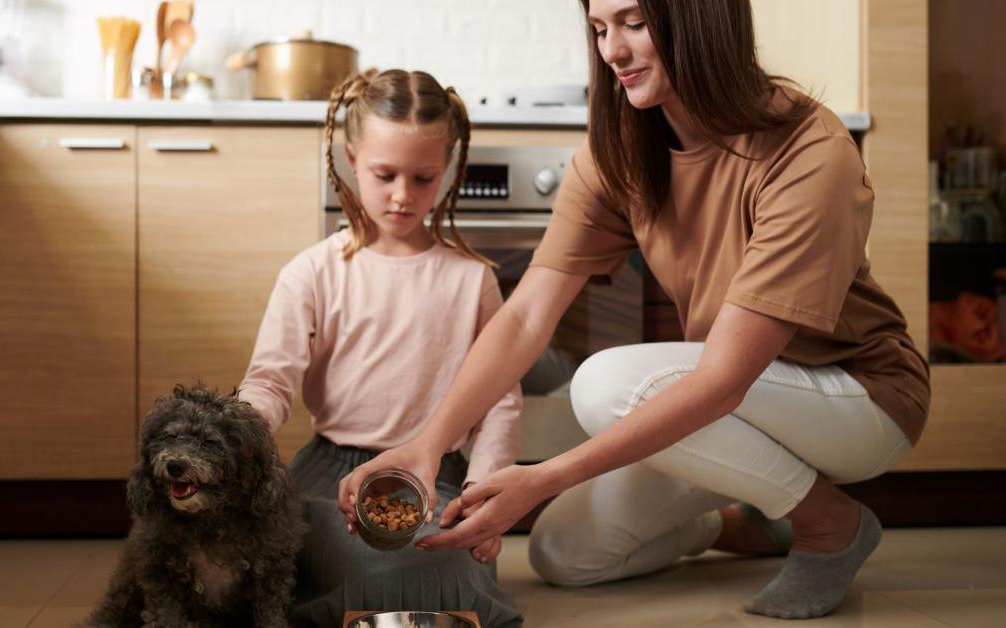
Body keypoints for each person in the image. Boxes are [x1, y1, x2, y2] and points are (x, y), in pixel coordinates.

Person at [338, 0, 930, 620]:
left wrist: (543, 478)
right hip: (733, 409)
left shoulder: (809, 150)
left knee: (606, 383)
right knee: (564, 553)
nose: (611, 51)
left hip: (859, 398)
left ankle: (828, 522)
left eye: (635, 23)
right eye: (599, 28)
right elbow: (526, 317)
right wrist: (427, 445)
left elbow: (725, 376)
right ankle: (754, 519)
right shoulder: (619, 152)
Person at [237, 69, 523, 628]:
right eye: (384, 174)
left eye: (423, 178)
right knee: (306, 546)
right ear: (350, 158)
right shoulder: (311, 273)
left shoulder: (472, 279)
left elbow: (500, 401)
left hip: (436, 473)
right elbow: (270, 382)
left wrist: (482, 494)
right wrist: (235, 436)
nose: (401, 195)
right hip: (329, 470)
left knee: (443, 550)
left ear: (446, 169)